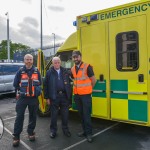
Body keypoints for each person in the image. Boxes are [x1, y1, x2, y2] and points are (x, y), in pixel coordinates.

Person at [12, 54, 42, 147]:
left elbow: (40, 83)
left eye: (30, 59)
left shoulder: (37, 71)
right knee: (19, 117)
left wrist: (35, 91)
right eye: (27, 59)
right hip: (22, 98)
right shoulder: (20, 71)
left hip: (33, 98)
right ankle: (16, 136)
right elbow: (15, 84)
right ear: (24, 61)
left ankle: (31, 132)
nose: (29, 61)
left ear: (33, 60)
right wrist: (21, 92)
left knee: (33, 117)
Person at [71, 50, 96, 143]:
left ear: (80, 57)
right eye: (74, 57)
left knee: (86, 115)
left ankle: (89, 134)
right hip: (77, 95)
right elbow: (75, 80)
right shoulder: (73, 68)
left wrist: (89, 89)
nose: (75, 58)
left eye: (77, 57)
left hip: (85, 95)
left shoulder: (87, 66)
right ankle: (84, 131)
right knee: (81, 114)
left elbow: (94, 80)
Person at [44, 57, 72, 139]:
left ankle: (65, 130)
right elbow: (45, 86)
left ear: (60, 63)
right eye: (55, 62)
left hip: (64, 96)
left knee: (65, 115)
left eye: (58, 62)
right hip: (54, 97)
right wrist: (47, 98)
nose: (57, 64)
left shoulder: (65, 71)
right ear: (52, 63)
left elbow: (71, 80)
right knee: (54, 115)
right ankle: (53, 131)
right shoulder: (49, 72)